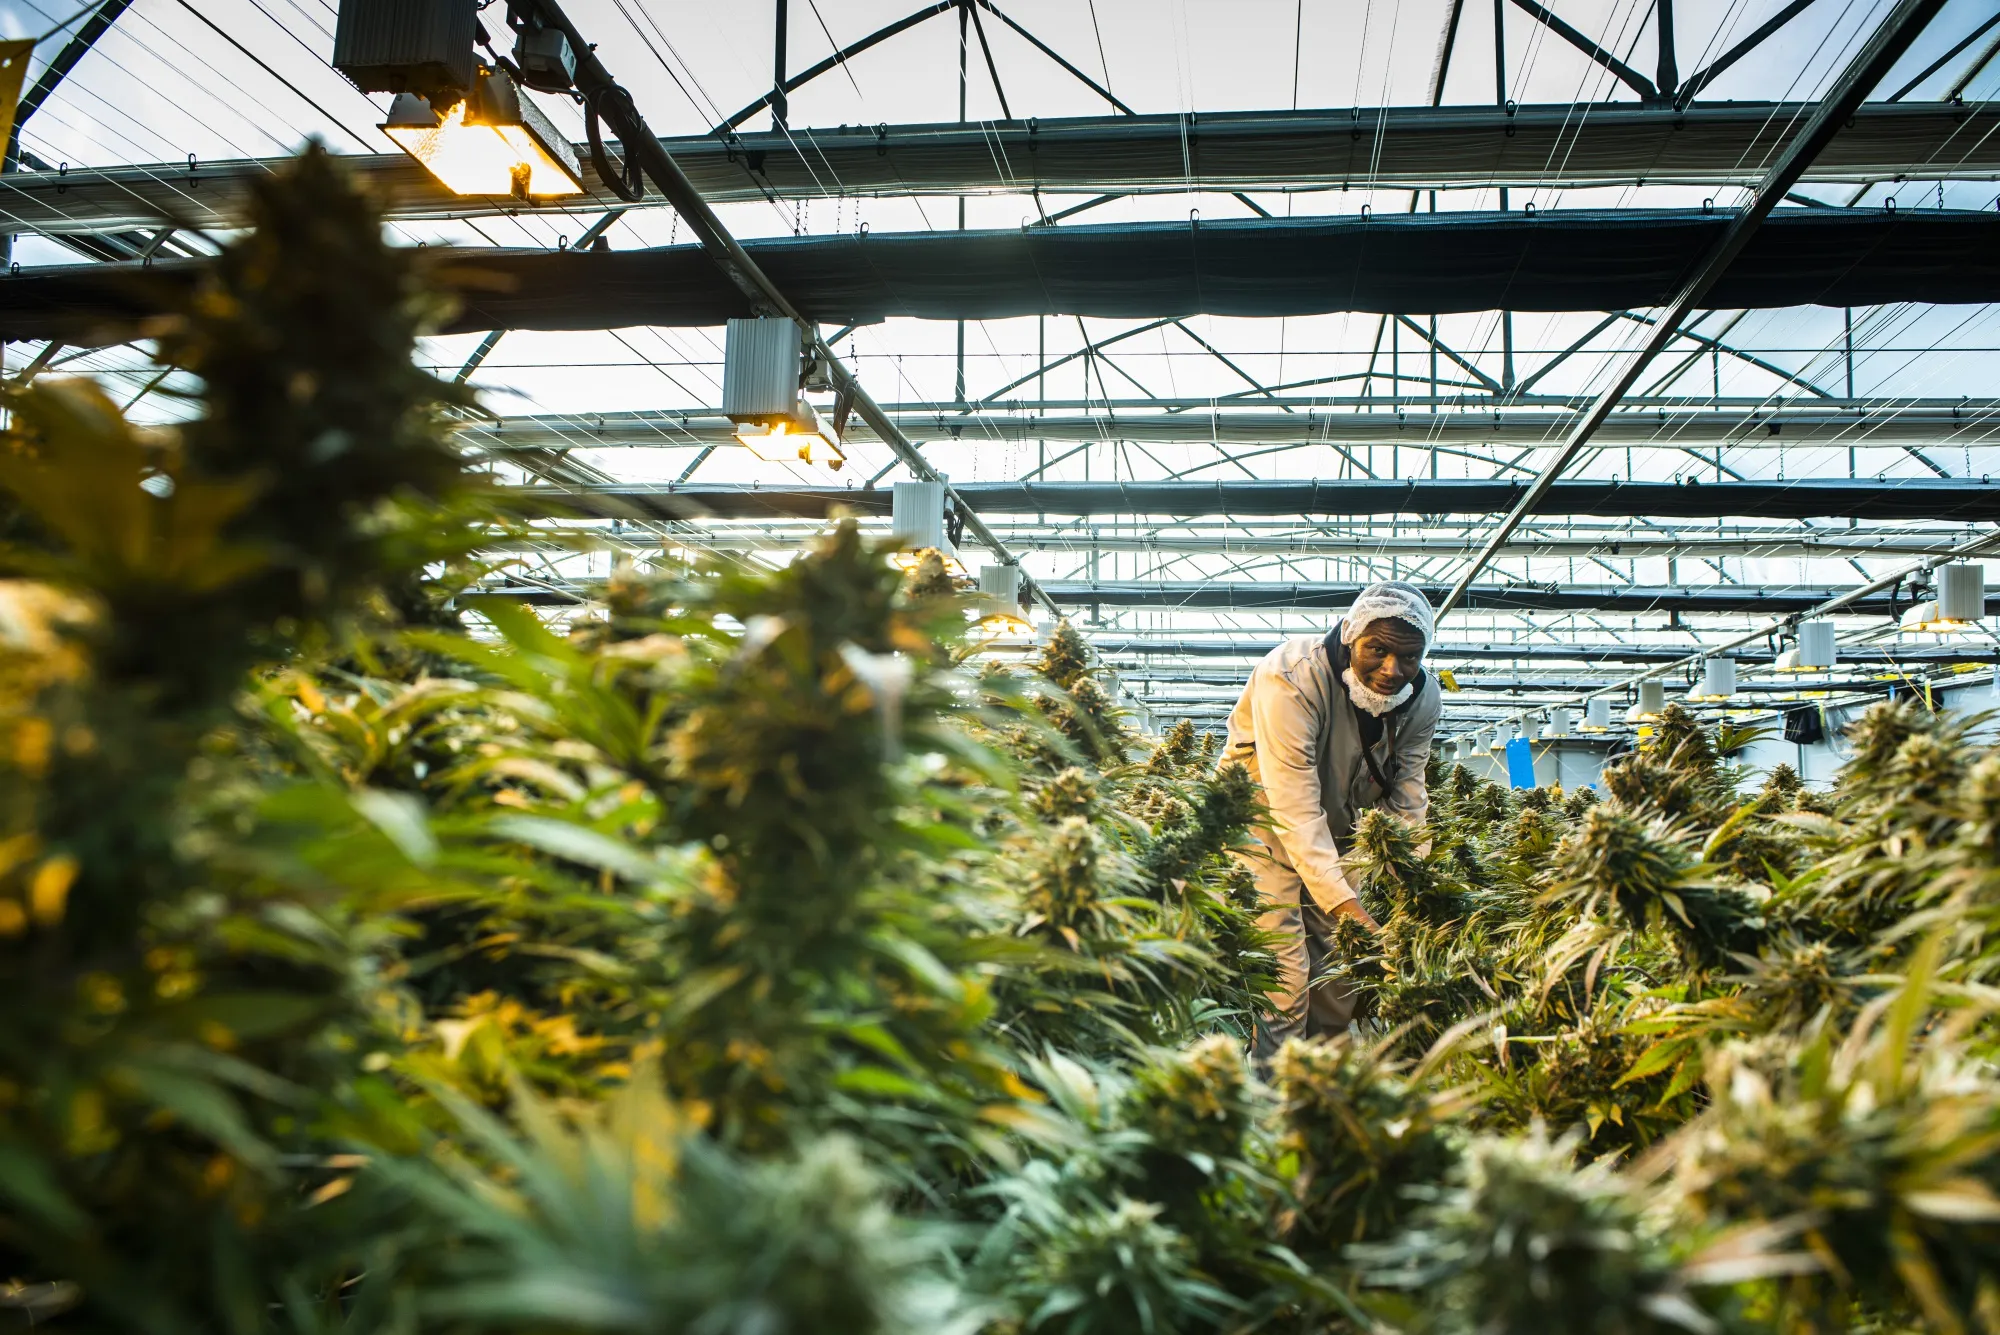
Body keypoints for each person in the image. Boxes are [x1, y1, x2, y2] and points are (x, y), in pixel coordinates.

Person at [1222, 580, 1441, 1058]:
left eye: (1409, 657)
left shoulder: (1423, 697)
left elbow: (1408, 795)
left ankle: (1324, 1083)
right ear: (1349, 635)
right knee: (1283, 981)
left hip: (1337, 832)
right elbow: (1292, 804)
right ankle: (1274, 1091)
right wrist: (1352, 910)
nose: (1392, 670)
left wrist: (1410, 884)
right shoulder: (1292, 676)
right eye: (1378, 650)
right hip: (1261, 834)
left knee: (1339, 975)